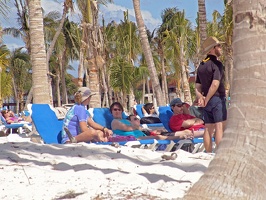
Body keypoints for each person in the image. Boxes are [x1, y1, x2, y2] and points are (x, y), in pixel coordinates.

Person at [195, 36, 227, 152]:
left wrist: (201, 98)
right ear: (212, 49)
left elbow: (197, 86)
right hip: (216, 98)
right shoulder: (217, 64)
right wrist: (207, 98)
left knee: (208, 128)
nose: (220, 48)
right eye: (219, 46)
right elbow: (215, 84)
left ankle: (208, 153)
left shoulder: (201, 66)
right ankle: (220, 153)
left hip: (206, 100)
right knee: (219, 127)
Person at [111, 102, 194, 140]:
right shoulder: (114, 122)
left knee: (161, 134)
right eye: (115, 110)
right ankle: (180, 138)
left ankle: (187, 134)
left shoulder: (125, 121)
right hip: (134, 138)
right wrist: (136, 127)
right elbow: (128, 129)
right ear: (111, 112)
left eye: (119, 109)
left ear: (122, 111)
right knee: (158, 137)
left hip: (141, 135)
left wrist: (137, 128)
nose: (117, 111)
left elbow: (137, 127)